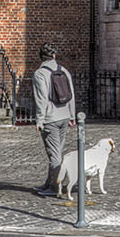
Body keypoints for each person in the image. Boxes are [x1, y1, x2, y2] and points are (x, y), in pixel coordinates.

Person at [32, 42, 75, 196]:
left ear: (41, 57)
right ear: (54, 55)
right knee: (57, 152)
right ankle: (49, 183)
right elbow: (71, 95)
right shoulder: (64, 71)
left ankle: (55, 188)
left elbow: (41, 98)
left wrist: (39, 120)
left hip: (50, 119)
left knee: (54, 155)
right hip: (64, 116)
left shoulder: (40, 74)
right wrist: (72, 115)